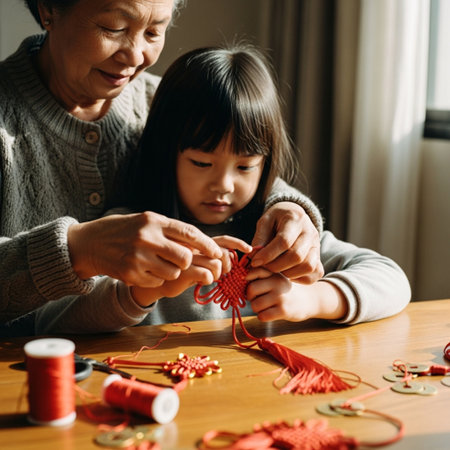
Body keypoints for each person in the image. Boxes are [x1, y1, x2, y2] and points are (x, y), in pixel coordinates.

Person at [33, 44, 411, 334]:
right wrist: (145, 291)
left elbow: (391, 279)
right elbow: (51, 322)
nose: (224, 185)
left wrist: (313, 298)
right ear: (167, 155)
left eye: (245, 166)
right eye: (201, 163)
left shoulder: (275, 238)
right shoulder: (135, 234)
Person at [0, 1, 324, 333]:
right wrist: (78, 251)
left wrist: (289, 208)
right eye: (114, 28)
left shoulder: (167, 103)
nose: (137, 55)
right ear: (48, 9)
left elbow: (249, 172)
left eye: (154, 31)